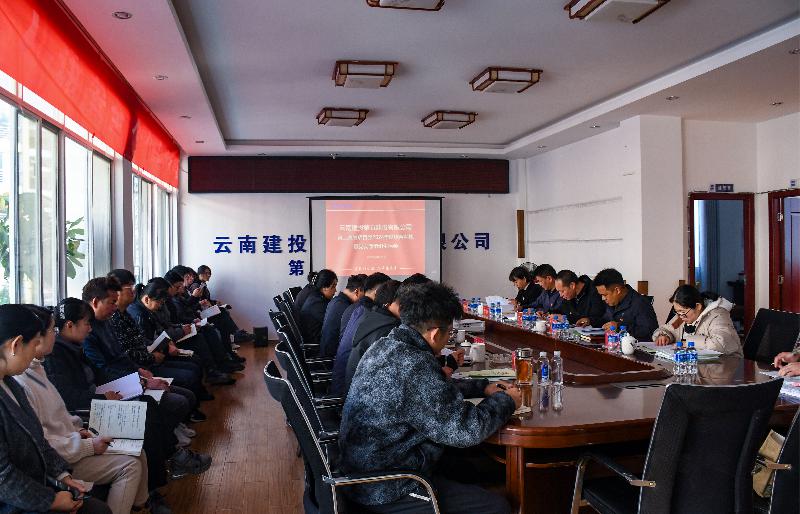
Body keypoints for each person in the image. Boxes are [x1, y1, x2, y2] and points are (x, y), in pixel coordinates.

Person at [339, 282, 521, 514]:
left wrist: (482, 388)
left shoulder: (387, 345)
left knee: (472, 468)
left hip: (369, 467)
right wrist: (508, 400)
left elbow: (431, 389)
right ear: (435, 333)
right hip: (388, 485)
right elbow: (466, 429)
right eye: (449, 332)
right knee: (497, 507)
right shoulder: (414, 365)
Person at [46, 298, 209, 504]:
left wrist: (135, 382)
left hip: (99, 400)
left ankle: (171, 457)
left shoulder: (72, 347)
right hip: (86, 412)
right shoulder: (55, 356)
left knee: (149, 404)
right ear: (70, 325)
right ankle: (154, 485)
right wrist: (102, 397)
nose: (89, 328)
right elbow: (67, 397)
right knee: (144, 415)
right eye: (86, 323)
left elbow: (99, 374)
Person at [17, 305, 149, 514]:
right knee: (129, 466)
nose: (55, 335)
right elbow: (44, 443)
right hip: (62, 457)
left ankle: (140, 505)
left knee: (137, 449)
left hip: (73, 441)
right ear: (35, 339)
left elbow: (59, 416)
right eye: (52, 330)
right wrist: (87, 445)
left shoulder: (37, 369)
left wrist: (79, 431)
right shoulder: (23, 381)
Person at [0, 303, 112, 514]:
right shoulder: (17, 381)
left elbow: (38, 439)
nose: (36, 353)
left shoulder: (11, 383)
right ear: (16, 345)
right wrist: (50, 500)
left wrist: (62, 475)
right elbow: (4, 478)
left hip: (39, 482)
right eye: (34, 344)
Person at [127, 278, 235, 386]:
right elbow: (150, 338)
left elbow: (164, 326)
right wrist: (178, 333)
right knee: (197, 350)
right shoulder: (140, 314)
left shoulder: (151, 308)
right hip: (157, 354)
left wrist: (182, 327)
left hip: (165, 344)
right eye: (177, 286)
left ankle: (220, 364)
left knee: (207, 331)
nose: (161, 305)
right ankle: (213, 371)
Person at [331, 272, 391, 396]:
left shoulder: (357, 308)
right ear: (378, 292)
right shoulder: (369, 313)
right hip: (348, 390)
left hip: (341, 379)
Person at [343, 280, 403, 397]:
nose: (406, 308)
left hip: (354, 394)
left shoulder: (372, 317)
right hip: (364, 398)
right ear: (388, 304)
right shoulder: (388, 330)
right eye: (402, 303)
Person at [652, 285, 742, 356]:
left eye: (682, 311)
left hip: (724, 365)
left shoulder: (717, 316)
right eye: (677, 311)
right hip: (694, 365)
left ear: (698, 306)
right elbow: (667, 329)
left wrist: (687, 343)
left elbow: (720, 343)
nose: (680, 316)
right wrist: (663, 336)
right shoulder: (681, 318)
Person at [192, 265, 253, 345]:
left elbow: (207, 300)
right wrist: (206, 303)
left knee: (224, 314)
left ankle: (232, 339)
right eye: (207, 273)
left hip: (205, 311)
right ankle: (236, 334)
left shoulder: (203, 285)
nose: (209, 275)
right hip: (200, 314)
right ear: (200, 274)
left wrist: (214, 302)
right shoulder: (196, 286)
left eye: (210, 273)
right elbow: (196, 302)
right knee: (223, 313)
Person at [594, 268, 659, 341]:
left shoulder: (640, 303)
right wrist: (590, 321)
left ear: (617, 290)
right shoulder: (612, 302)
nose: (603, 298)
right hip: (612, 344)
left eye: (605, 295)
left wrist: (619, 327)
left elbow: (650, 332)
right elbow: (605, 320)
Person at [320, 274, 365, 358]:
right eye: (365, 295)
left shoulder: (336, 300)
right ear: (357, 291)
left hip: (326, 352)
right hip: (332, 357)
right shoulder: (347, 308)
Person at [298, 269, 338, 347]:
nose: (335, 290)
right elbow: (333, 323)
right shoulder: (317, 303)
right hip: (315, 342)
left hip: (315, 336)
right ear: (324, 287)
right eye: (333, 287)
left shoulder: (316, 296)